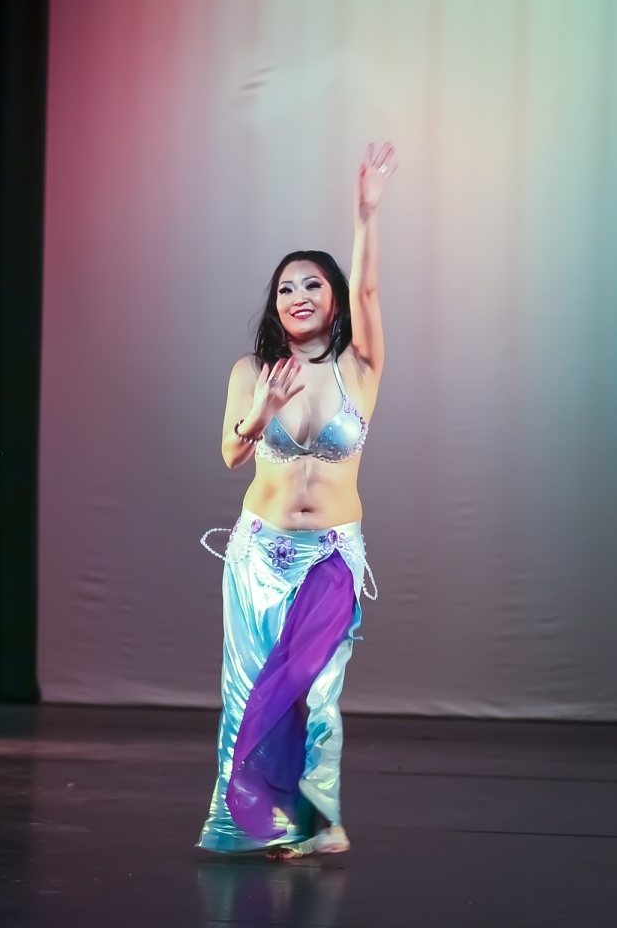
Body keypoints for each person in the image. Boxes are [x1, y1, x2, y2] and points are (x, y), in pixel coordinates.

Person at [197, 144, 396, 859]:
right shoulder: (251, 370)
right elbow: (231, 455)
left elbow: (369, 292)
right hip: (258, 554)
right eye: (286, 287)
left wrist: (365, 214)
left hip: (331, 556)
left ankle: (320, 820)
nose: (298, 295)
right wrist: (259, 411)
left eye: (313, 284)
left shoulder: (360, 369)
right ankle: (253, 823)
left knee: (316, 692)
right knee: (250, 689)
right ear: (276, 305)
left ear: (333, 298)